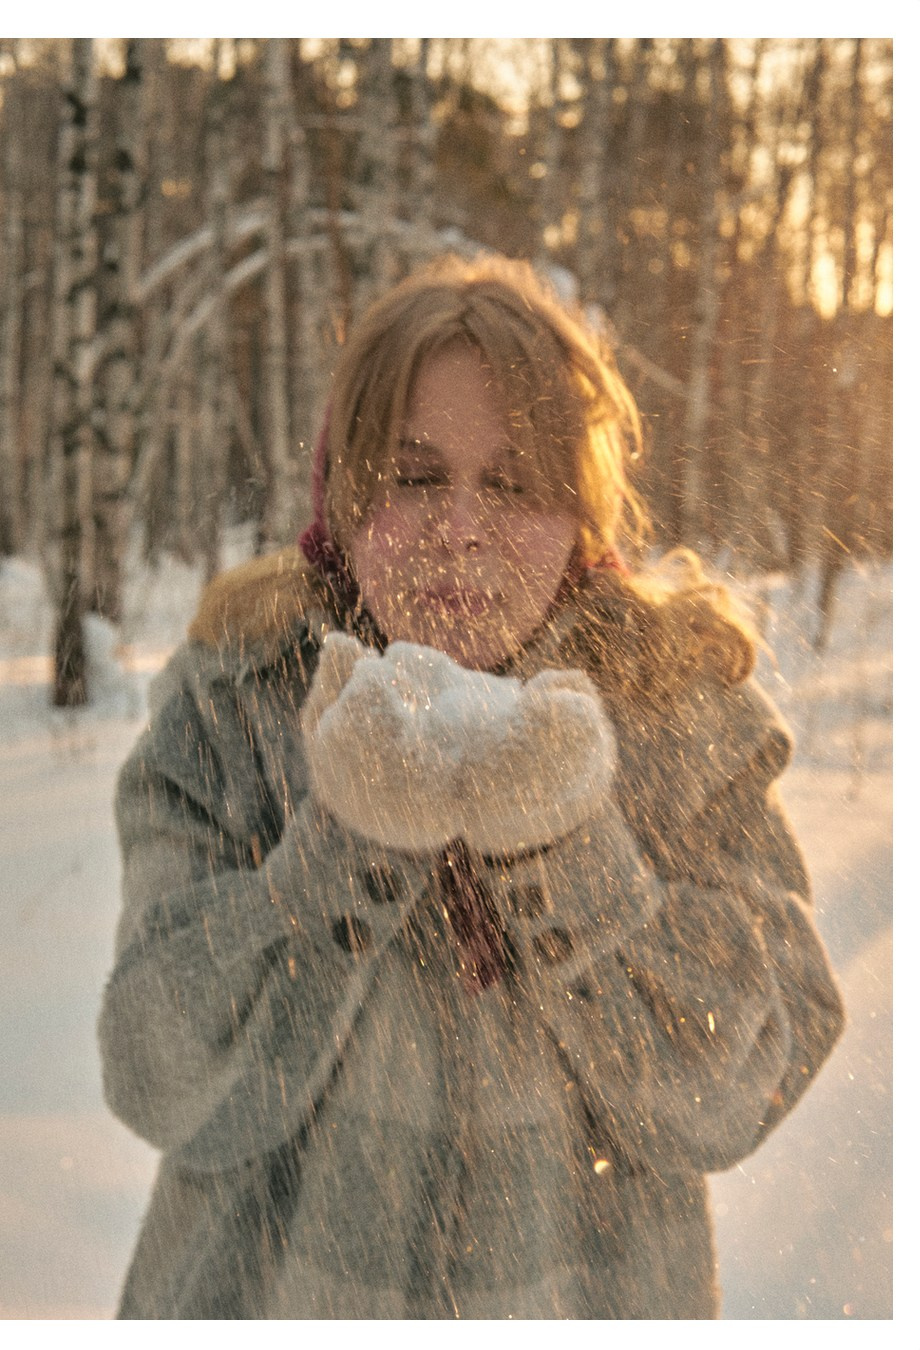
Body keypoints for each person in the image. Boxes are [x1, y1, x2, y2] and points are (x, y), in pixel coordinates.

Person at [98, 253, 845, 1319]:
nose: (460, 527)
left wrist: (569, 855)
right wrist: (336, 857)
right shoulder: (242, 704)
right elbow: (155, 1071)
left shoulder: (676, 716)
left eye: (512, 483)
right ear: (346, 494)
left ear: (579, 510)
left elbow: (742, 1084)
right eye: (413, 475)